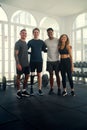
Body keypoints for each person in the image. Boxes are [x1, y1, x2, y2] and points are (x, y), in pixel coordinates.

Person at [27, 28, 47, 96]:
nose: (36, 33)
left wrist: (52, 49)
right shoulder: (30, 42)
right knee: (32, 75)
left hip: (39, 61)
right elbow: (26, 49)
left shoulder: (41, 42)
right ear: (33, 33)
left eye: (37, 32)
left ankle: (39, 89)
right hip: (32, 61)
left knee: (39, 75)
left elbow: (45, 50)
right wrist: (30, 53)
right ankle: (31, 89)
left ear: (39, 33)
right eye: (35, 32)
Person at [45, 28, 61, 95]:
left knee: (57, 75)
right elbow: (43, 48)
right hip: (49, 61)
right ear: (47, 33)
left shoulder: (57, 40)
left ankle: (59, 88)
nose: (50, 33)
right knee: (51, 75)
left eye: (51, 32)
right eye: (48, 33)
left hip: (56, 60)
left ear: (53, 32)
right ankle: (51, 88)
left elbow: (62, 47)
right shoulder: (45, 41)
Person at [14, 29, 30, 99]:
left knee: (27, 76)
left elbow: (25, 52)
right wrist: (18, 64)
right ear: (20, 34)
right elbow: (15, 54)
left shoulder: (25, 43)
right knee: (18, 77)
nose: (24, 34)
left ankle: (23, 90)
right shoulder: (18, 43)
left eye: (25, 33)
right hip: (20, 64)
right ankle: (18, 92)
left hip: (26, 64)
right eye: (23, 33)